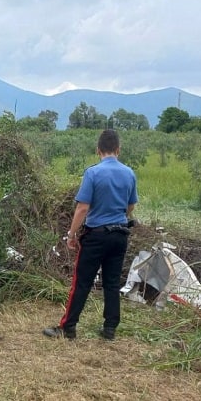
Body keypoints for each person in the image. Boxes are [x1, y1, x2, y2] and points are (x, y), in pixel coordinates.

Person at [43, 129, 138, 340]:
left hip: (96, 236)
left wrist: (72, 234)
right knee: (112, 282)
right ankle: (110, 328)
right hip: (120, 234)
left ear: (98, 150)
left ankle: (68, 327)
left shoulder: (93, 173)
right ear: (118, 150)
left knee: (82, 282)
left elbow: (82, 208)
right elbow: (130, 205)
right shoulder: (129, 173)